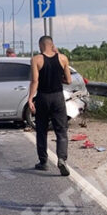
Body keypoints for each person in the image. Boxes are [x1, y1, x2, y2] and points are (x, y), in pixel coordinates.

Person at [28, 36, 73, 176]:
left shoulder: (36, 59)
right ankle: (61, 159)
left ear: (41, 45)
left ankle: (43, 162)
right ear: (52, 45)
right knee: (61, 130)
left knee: (41, 130)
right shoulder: (63, 58)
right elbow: (69, 80)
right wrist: (57, 77)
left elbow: (35, 81)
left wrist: (30, 99)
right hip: (58, 97)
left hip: (43, 97)